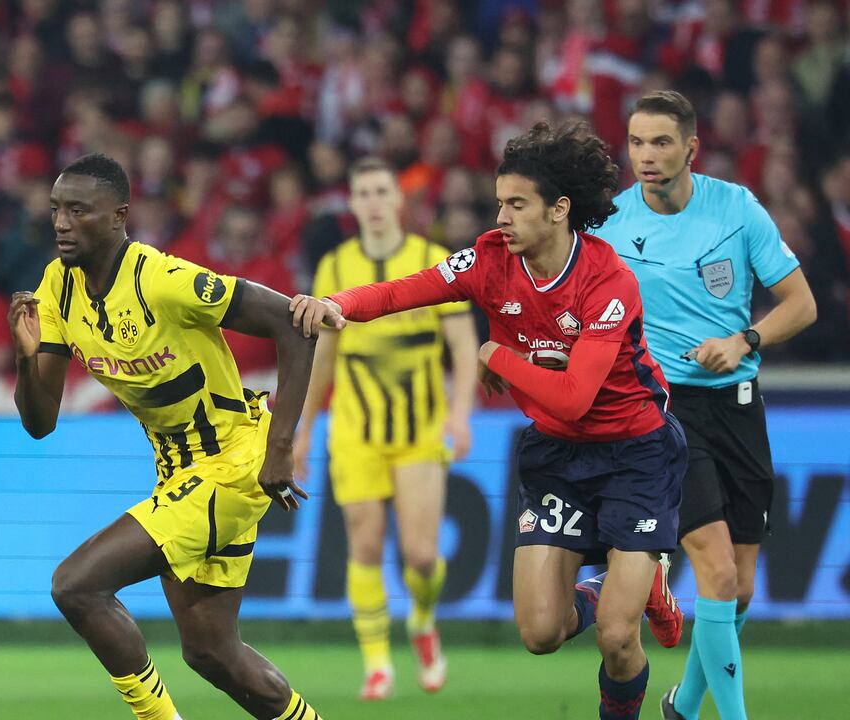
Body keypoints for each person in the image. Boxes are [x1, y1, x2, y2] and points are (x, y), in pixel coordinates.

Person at [290, 122, 686, 720]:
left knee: (615, 637)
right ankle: (614, 585)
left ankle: (625, 616)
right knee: (540, 632)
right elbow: (408, 290)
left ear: (559, 209)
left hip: (636, 453)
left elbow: (577, 395)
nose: (501, 215)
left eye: (517, 204)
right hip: (557, 455)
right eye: (500, 201)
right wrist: (337, 305)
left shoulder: (608, 281)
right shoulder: (490, 259)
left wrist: (497, 356)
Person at [9, 154, 323, 720]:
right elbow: (39, 422)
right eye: (56, 208)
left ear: (118, 216)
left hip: (234, 462)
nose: (60, 222)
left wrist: (282, 448)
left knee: (75, 585)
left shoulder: (164, 279)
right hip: (180, 473)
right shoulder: (57, 286)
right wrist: (25, 358)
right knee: (212, 653)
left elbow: (293, 324)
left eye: (78, 210)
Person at [594, 90, 817, 720]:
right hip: (661, 413)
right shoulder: (608, 221)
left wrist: (745, 338)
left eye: (661, 142)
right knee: (716, 572)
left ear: (691, 147)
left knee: (739, 588)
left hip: (740, 407)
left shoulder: (737, 209)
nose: (646, 156)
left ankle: (683, 705)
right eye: (636, 143)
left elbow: (801, 304)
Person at [293, 156, 479, 699]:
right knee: (366, 547)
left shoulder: (435, 260)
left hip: (420, 430)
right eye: (363, 193)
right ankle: (377, 664)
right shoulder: (334, 268)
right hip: (355, 430)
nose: (373, 203)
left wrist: (460, 412)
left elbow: (464, 347)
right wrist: (304, 430)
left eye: (381, 192)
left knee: (422, 556)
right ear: (352, 204)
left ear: (398, 200)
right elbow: (321, 360)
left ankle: (422, 620)